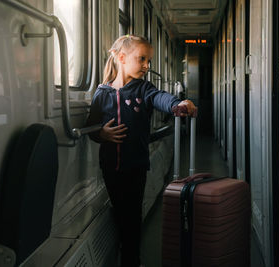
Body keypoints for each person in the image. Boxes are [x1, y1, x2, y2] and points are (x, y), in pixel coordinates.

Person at [86, 34, 196, 267]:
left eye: (149, 60)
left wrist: (178, 103)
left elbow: (160, 98)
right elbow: (91, 127)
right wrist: (101, 134)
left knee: (132, 218)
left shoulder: (144, 89)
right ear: (123, 58)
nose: (147, 65)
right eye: (142, 59)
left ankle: (131, 260)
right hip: (110, 168)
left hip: (135, 166)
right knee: (124, 216)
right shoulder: (101, 94)